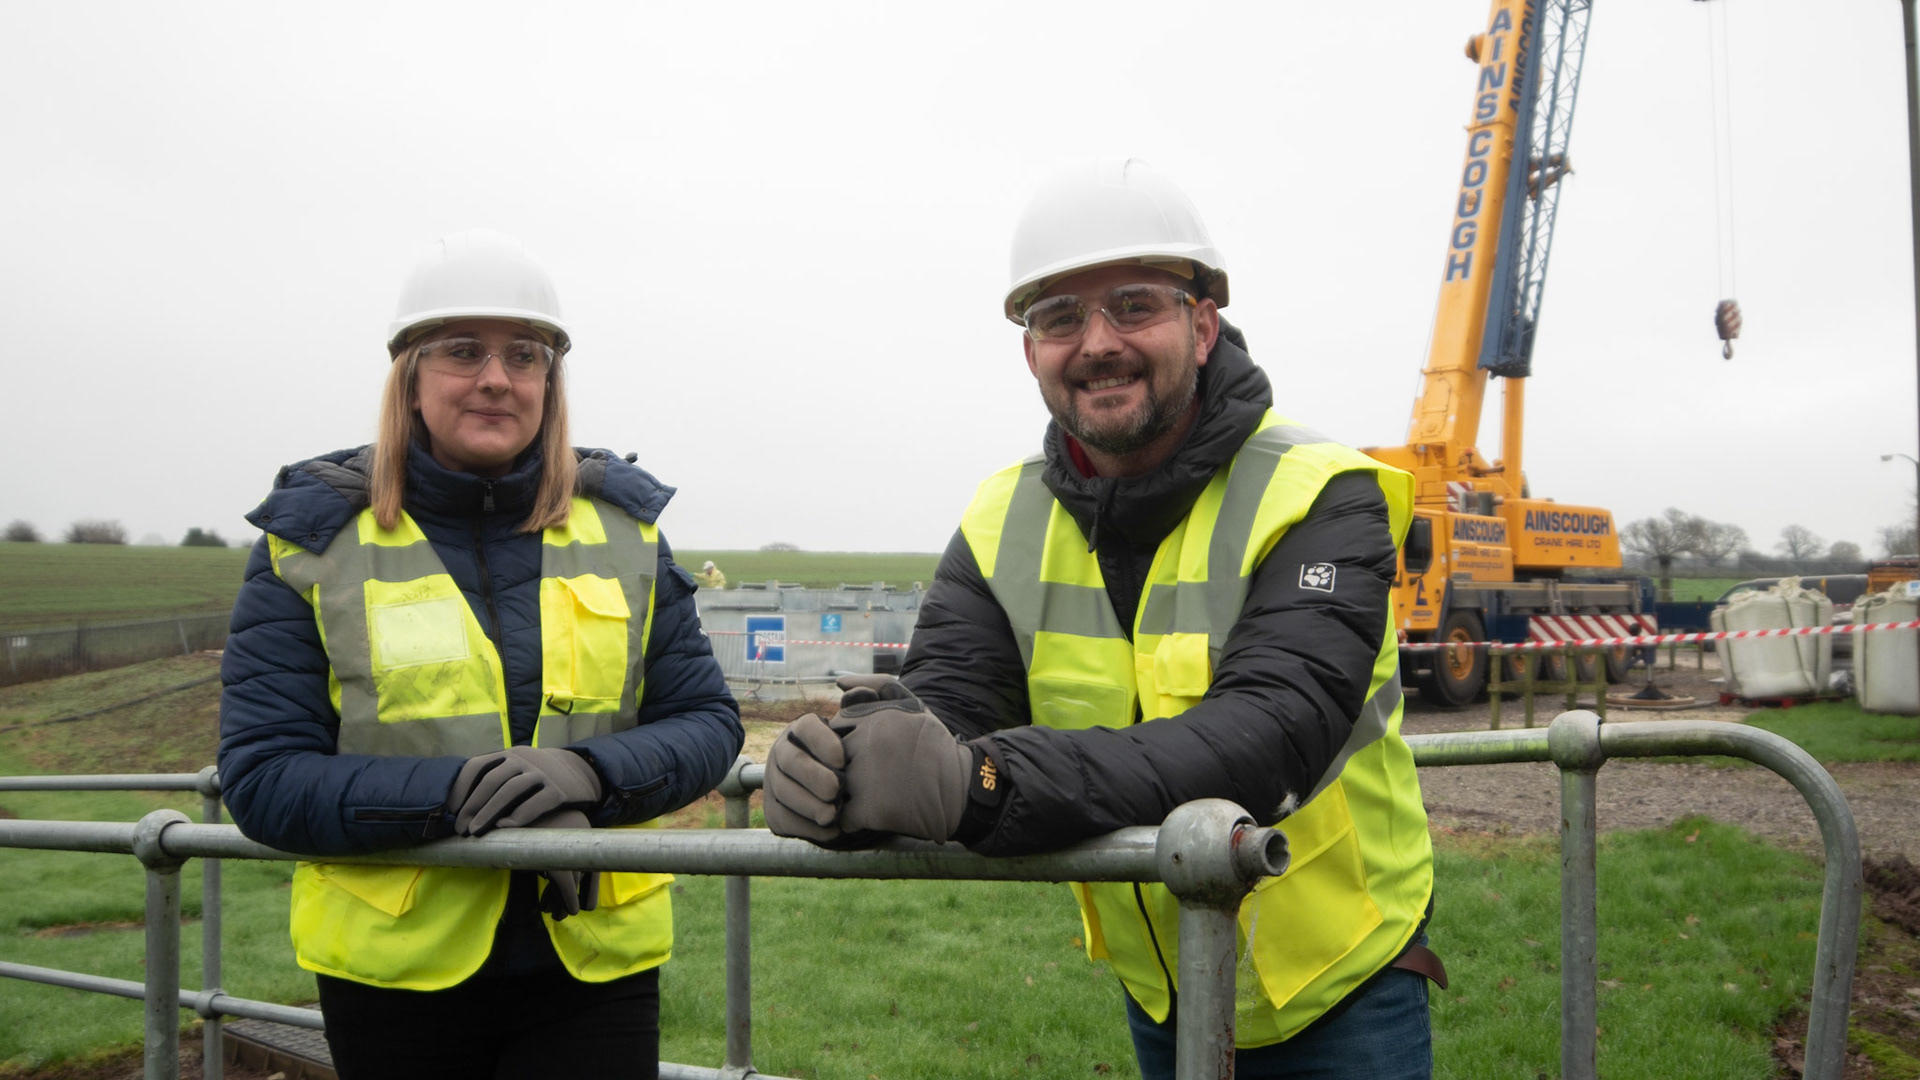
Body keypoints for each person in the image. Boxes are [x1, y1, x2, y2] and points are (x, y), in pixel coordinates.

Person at [763, 160, 1439, 1078]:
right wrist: (852, 763)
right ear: (1030, 350)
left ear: (1202, 327)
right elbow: (947, 708)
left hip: (1344, 978)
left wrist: (987, 783)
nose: (1097, 343)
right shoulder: (1003, 519)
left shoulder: (1321, 492)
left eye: (1133, 306)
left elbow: (1272, 729)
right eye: (1060, 318)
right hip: (1160, 982)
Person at [218, 229, 743, 1080]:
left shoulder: (626, 532)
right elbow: (263, 776)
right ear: (411, 377)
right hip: (394, 980)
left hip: (593, 968)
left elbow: (708, 722)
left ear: (550, 381)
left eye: (525, 356)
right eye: (463, 351)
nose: (496, 378)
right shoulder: (309, 544)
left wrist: (590, 779)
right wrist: (461, 796)